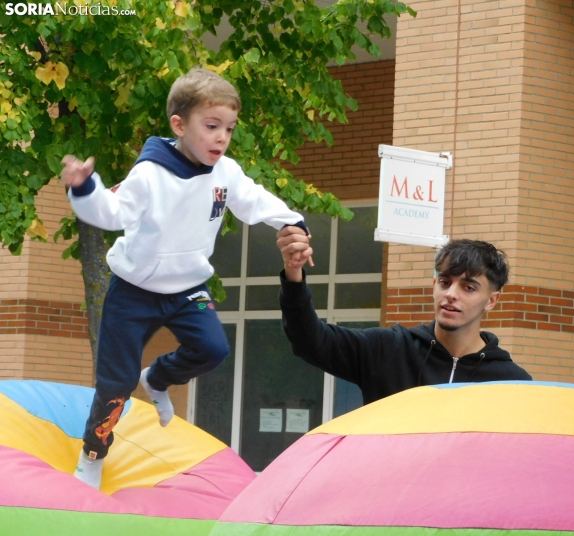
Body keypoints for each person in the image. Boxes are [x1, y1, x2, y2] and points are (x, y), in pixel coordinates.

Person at [61, 68, 309, 490]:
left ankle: (157, 378)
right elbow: (112, 214)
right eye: (211, 127)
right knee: (116, 383)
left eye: (229, 129)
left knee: (212, 348)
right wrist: (86, 189)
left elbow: (255, 200)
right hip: (134, 291)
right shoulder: (149, 174)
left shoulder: (225, 173)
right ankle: (93, 453)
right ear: (179, 125)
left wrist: (292, 222)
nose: (222, 138)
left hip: (187, 288)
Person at [276, 228, 531, 405]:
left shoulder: (512, 383)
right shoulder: (390, 350)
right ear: (434, 285)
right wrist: (293, 273)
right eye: (445, 282)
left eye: (468, 287)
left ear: (492, 300)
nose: (451, 294)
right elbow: (310, 340)